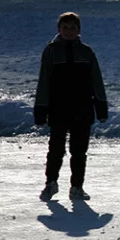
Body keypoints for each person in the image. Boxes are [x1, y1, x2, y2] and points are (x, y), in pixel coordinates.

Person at [34, 12, 109, 201]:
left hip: (82, 109)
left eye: (73, 28)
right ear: (59, 29)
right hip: (58, 109)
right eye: (65, 27)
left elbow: (97, 81)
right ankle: (51, 183)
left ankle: (77, 187)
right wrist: (40, 110)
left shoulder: (87, 52)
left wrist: (101, 108)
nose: (69, 31)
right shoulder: (51, 51)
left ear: (79, 30)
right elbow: (43, 82)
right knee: (56, 149)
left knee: (79, 151)